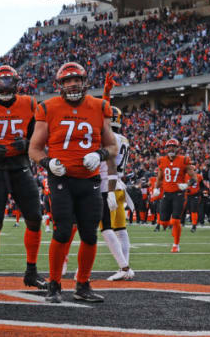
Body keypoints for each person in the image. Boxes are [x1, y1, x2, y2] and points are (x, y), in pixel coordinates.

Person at [29, 61, 117, 304]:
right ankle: (54, 284)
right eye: (67, 81)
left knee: (90, 234)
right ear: (60, 85)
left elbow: (112, 145)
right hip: (62, 179)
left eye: (76, 79)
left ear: (84, 81)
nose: (72, 84)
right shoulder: (47, 107)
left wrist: (99, 155)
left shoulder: (100, 106)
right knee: (62, 231)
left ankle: (83, 284)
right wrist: (48, 163)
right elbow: (34, 149)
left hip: (89, 181)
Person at [0, 65, 47, 297]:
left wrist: (28, 144)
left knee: (34, 217)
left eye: (8, 81)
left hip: (21, 167)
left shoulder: (29, 104)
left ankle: (31, 271)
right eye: (1, 82)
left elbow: (39, 137)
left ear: (16, 82)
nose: (5, 86)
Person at [100, 106, 134, 281]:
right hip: (120, 185)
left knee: (104, 228)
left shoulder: (108, 138)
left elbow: (109, 164)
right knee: (121, 229)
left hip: (108, 186)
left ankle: (124, 266)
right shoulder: (124, 139)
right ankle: (125, 267)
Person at [152, 138, 196, 252]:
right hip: (166, 194)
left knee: (176, 220)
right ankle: (170, 227)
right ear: (166, 149)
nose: (171, 148)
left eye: (173, 146)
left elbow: (194, 178)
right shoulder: (162, 160)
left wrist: (187, 185)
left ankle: (176, 244)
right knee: (164, 222)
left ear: (177, 148)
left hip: (179, 194)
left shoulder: (184, 160)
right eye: (169, 146)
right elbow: (160, 177)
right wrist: (156, 188)